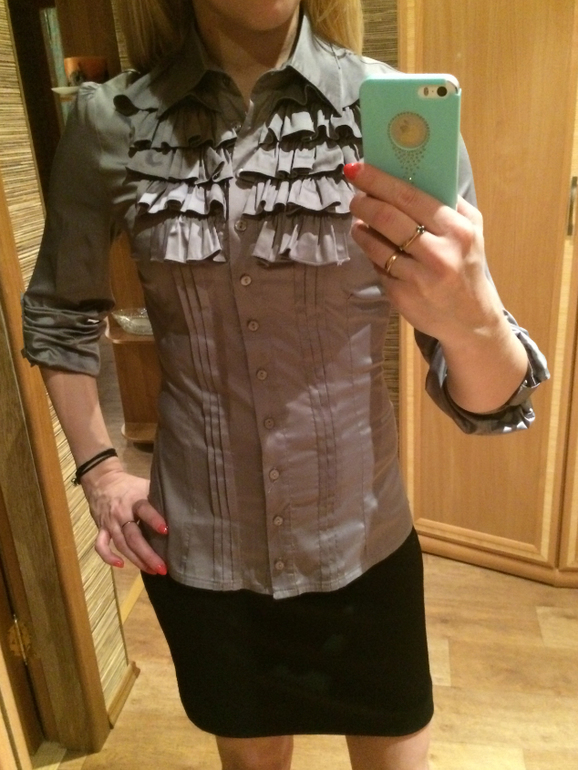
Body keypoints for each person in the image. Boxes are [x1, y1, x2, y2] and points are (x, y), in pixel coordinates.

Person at [21, 1, 549, 768]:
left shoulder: (393, 118)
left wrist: (473, 317)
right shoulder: (111, 122)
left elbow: (490, 401)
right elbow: (60, 313)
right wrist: (100, 471)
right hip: (207, 558)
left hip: (364, 547)